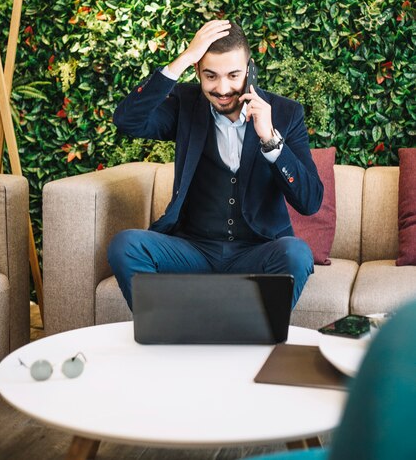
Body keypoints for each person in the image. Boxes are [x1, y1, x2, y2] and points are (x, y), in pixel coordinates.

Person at [108, 19, 323, 309]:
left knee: (296, 254)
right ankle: (168, 332)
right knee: (126, 246)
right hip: (193, 250)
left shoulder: (285, 113)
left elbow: (310, 201)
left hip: (257, 251)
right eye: (211, 76)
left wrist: (271, 140)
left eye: (234, 75)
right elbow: (126, 119)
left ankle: (253, 338)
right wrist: (182, 59)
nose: (223, 89)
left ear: (249, 70)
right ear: (197, 71)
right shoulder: (185, 104)